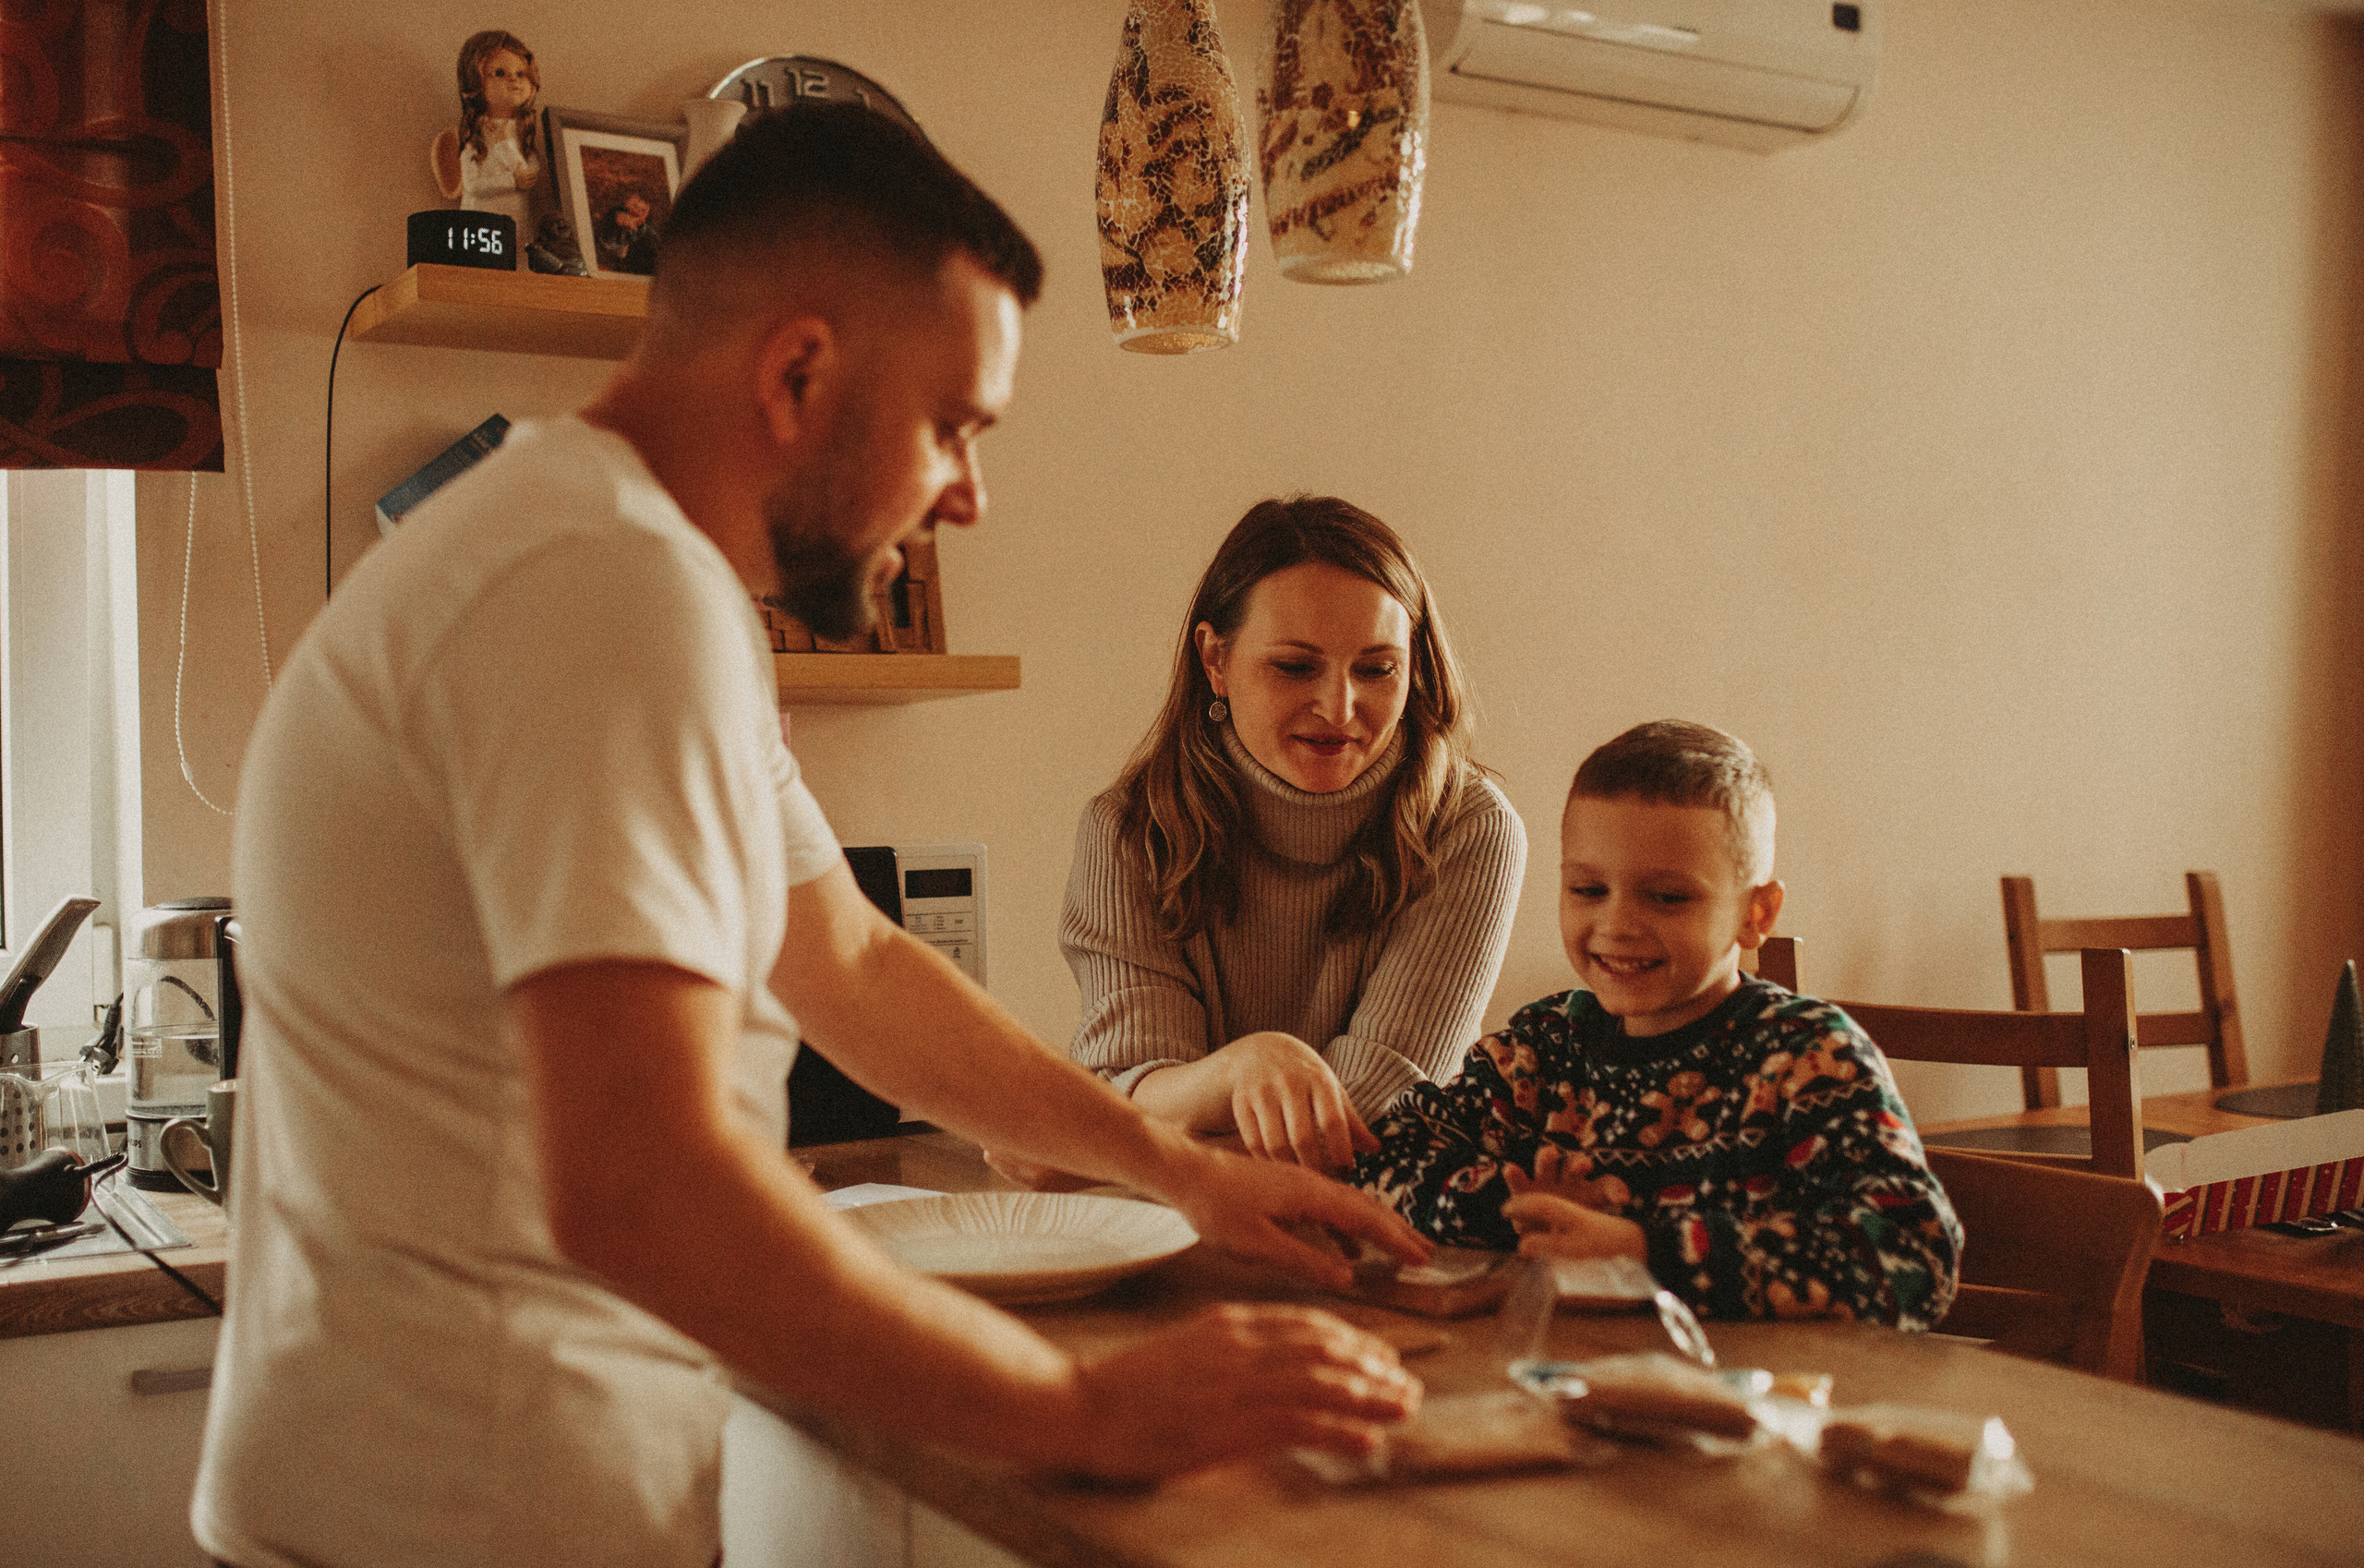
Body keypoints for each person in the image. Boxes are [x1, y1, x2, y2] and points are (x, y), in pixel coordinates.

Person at [193, 103, 1429, 1568]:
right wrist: (1084, 1408)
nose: (969, 495)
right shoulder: (606, 589)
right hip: (451, 1523)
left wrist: (1182, 1172)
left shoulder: (617, 568)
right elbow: (642, 1188)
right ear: (796, 371)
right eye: (953, 426)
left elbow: (849, 961)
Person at [1355, 719, 1961, 1328]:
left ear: (1756, 914)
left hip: (1752, 1383)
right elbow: (1378, 1166)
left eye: (1668, 898)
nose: (1617, 924)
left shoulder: (1807, 1058)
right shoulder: (1538, 1050)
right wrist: (1515, 1207)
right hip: (1560, 1374)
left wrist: (1644, 1250)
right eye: (1588, 889)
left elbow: (1913, 1258)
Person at [1059, 498, 1526, 1173]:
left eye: (1377, 669)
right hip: (1174, 1218)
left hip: (1385, 1215)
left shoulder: (1471, 828)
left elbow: (1373, 1120)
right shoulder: (1128, 831)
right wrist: (1244, 1068)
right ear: (1215, 660)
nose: (1339, 708)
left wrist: (1097, 1149)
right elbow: (1131, 1083)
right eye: (1295, 667)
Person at [430, 30, 543, 237]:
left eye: (521, 74)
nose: (514, 80)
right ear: (475, 81)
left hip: (517, 225)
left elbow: (528, 173)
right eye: (500, 73)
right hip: (480, 227)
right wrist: (512, 181)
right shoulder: (475, 135)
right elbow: (472, 184)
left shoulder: (523, 132)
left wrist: (505, 146)